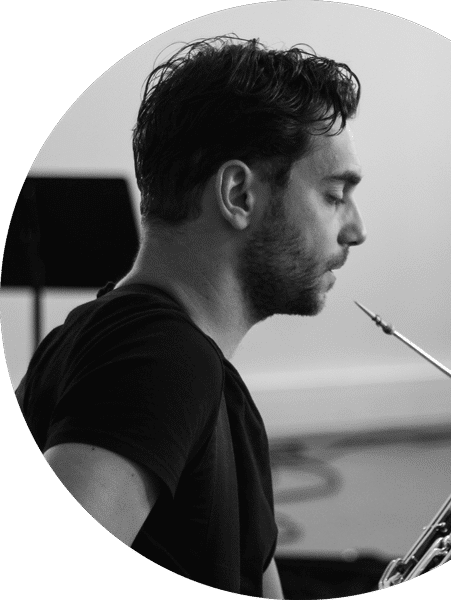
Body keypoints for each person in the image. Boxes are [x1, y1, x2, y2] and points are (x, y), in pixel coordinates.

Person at [16, 36, 366, 598]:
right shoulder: (159, 358)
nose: (356, 230)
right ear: (239, 195)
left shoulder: (176, 363)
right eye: (334, 195)